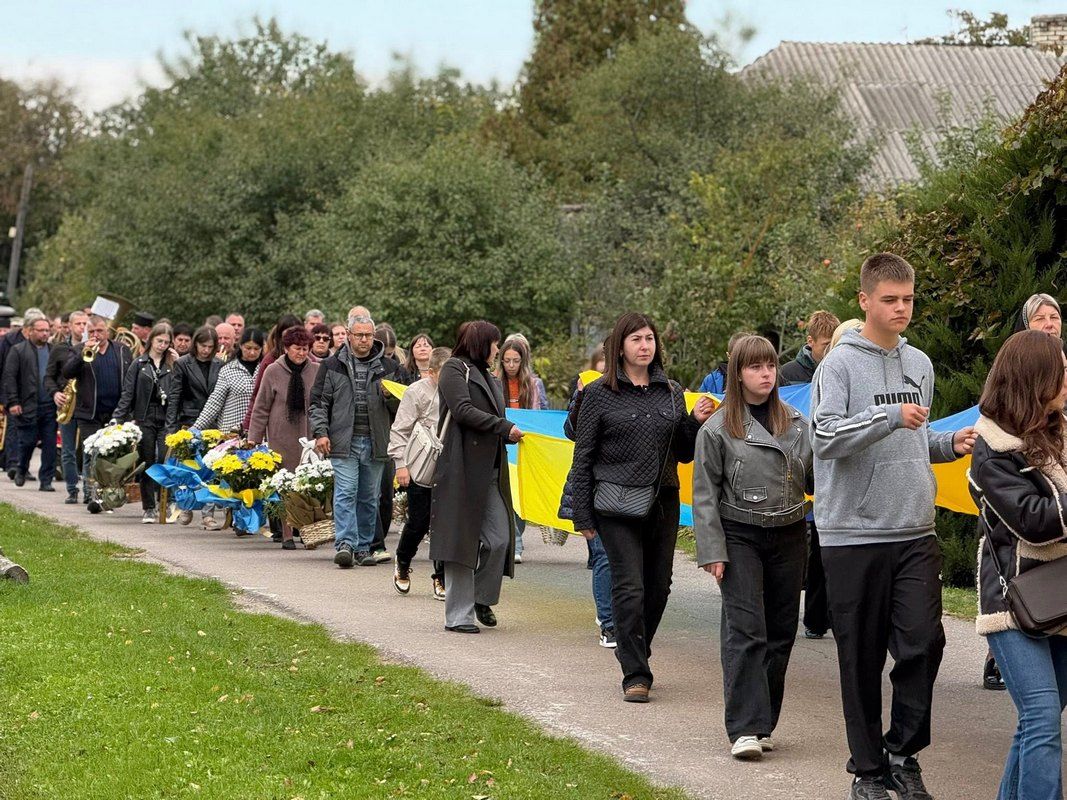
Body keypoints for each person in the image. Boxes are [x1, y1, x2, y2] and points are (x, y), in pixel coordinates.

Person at [810, 253, 976, 800]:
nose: (902, 308)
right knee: (858, 656)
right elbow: (826, 438)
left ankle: (904, 752)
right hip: (851, 534)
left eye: (908, 299)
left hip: (912, 529)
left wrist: (950, 444)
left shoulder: (921, 365)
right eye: (890, 300)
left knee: (924, 644)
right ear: (865, 301)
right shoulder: (836, 367)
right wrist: (886, 417)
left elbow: (912, 442)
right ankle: (868, 771)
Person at [571, 312, 715, 701]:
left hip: (662, 500)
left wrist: (695, 421)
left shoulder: (670, 390)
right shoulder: (599, 393)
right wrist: (580, 512)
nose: (644, 346)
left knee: (659, 587)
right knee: (629, 587)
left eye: (649, 338)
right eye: (636, 339)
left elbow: (683, 453)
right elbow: (583, 455)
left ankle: (634, 647)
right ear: (620, 346)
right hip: (615, 503)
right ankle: (635, 671)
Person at [693, 334, 813, 760]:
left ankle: (763, 723)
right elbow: (704, 494)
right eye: (755, 367)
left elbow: (819, 479)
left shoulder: (799, 424)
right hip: (739, 535)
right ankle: (743, 727)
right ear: (737, 374)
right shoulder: (716, 429)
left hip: (791, 533)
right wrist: (713, 551)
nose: (766, 374)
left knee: (781, 633)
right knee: (746, 630)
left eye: (770, 366)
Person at [968, 329, 1067, 800]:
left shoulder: (1058, 429)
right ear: (1035, 380)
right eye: (1061, 373)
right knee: (1043, 717)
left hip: (1062, 594)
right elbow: (1035, 522)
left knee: (1037, 722)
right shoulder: (990, 451)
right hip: (1016, 601)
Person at [429, 321, 523, 633]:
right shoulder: (454, 369)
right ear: (481, 343)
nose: (498, 350)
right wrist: (502, 428)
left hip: (491, 471)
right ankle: (458, 616)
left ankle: (482, 598)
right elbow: (462, 410)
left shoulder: (491, 378)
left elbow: (498, 419)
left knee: (499, 540)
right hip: (461, 468)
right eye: (495, 344)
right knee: (460, 543)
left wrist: (508, 433)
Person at [309, 313, 400, 568]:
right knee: (346, 492)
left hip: (376, 441)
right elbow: (318, 402)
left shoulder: (390, 368)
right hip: (342, 440)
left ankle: (363, 547)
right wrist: (321, 432)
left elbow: (404, 407)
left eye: (368, 335)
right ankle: (345, 544)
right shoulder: (332, 365)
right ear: (348, 336)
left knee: (369, 497)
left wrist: (390, 396)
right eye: (359, 335)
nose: (364, 340)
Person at [558, 357, 616, 649]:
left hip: (629, 488)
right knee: (603, 554)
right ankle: (608, 622)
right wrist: (580, 396)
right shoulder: (587, 391)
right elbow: (571, 430)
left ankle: (619, 615)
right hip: (592, 486)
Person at [248, 327, 320, 549]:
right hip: (281, 437)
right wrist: (254, 437)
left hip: (308, 437)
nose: (301, 353)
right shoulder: (272, 370)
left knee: (308, 485)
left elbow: (323, 403)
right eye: (297, 349)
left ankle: (308, 532)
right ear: (287, 348)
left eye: (305, 349)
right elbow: (261, 407)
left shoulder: (316, 370)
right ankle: (287, 533)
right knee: (284, 484)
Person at [388, 346, 451, 599]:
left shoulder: (458, 394)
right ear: (431, 372)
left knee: (445, 524)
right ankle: (403, 561)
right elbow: (399, 429)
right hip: (422, 466)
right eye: (444, 374)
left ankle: (441, 577)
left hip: (449, 467)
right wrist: (400, 465)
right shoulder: (417, 392)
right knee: (419, 521)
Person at [61, 315, 134, 512]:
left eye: (99, 331)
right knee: (91, 455)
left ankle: (108, 495)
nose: (96, 335)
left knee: (112, 456)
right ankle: (91, 494)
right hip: (89, 412)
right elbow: (67, 372)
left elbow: (130, 379)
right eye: (91, 332)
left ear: (108, 331)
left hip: (115, 411)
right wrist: (81, 354)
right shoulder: (79, 349)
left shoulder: (121, 350)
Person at [112, 323, 175, 523]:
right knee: (148, 460)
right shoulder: (138, 364)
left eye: (166, 342)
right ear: (151, 340)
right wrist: (118, 418)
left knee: (166, 458)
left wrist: (178, 361)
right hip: (145, 417)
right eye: (159, 341)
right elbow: (127, 394)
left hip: (166, 419)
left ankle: (166, 502)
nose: (162, 345)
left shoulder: (173, 365)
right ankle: (149, 506)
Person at [166, 326, 222, 529]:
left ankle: (208, 513)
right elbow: (175, 395)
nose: (206, 350)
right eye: (202, 345)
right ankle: (186, 507)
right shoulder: (182, 364)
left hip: (213, 423)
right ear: (195, 344)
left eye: (210, 346)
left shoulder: (219, 364)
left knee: (210, 469)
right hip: (189, 419)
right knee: (188, 467)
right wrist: (172, 427)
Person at [495, 335, 543, 563]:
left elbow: (536, 414)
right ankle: (515, 544)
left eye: (515, 361)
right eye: (507, 361)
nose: (511, 366)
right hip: (502, 441)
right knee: (507, 493)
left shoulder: (532, 384)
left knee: (519, 495)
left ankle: (516, 537)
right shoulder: (495, 382)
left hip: (523, 443)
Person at [2, 316, 58, 491]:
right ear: (30, 331)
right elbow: (9, 377)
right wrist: (13, 401)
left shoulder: (53, 350)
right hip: (27, 405)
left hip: (49, 406)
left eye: (47, 330)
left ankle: (46, 480)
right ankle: (21, 468)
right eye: (41, 330)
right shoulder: (18, 350)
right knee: (27, 442)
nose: (45, 333)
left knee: (49, 443)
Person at [44, 310, 88, 503]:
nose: (83, 327)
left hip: (88, 404)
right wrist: (55, 393)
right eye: (78, 324)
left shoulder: (95, 347)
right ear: (69, 326)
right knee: (68, 450)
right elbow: (48, 377)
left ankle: (89, 490)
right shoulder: (59, 349)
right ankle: (72, 489)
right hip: (67, 403)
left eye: (85, 323)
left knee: (88, 449)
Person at [195, 328, 265, 433]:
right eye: (248, 348)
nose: (252, 352)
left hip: (258, 432)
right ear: (241, 346)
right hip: (231, 432)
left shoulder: (266, 370)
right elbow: (215, 402)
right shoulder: (228, 370)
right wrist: (196, 428)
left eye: (256, 349)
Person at [243, 314, 301, 434]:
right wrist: (248, 430)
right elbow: (258, 399)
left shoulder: (311, 363)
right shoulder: (270, 362)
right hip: (276, 428)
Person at [780, 310, 840, 385]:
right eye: (827, 345)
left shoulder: (842, 371)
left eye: (835, 343)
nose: (831, 349)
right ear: (810, 341)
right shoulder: (787, 373)